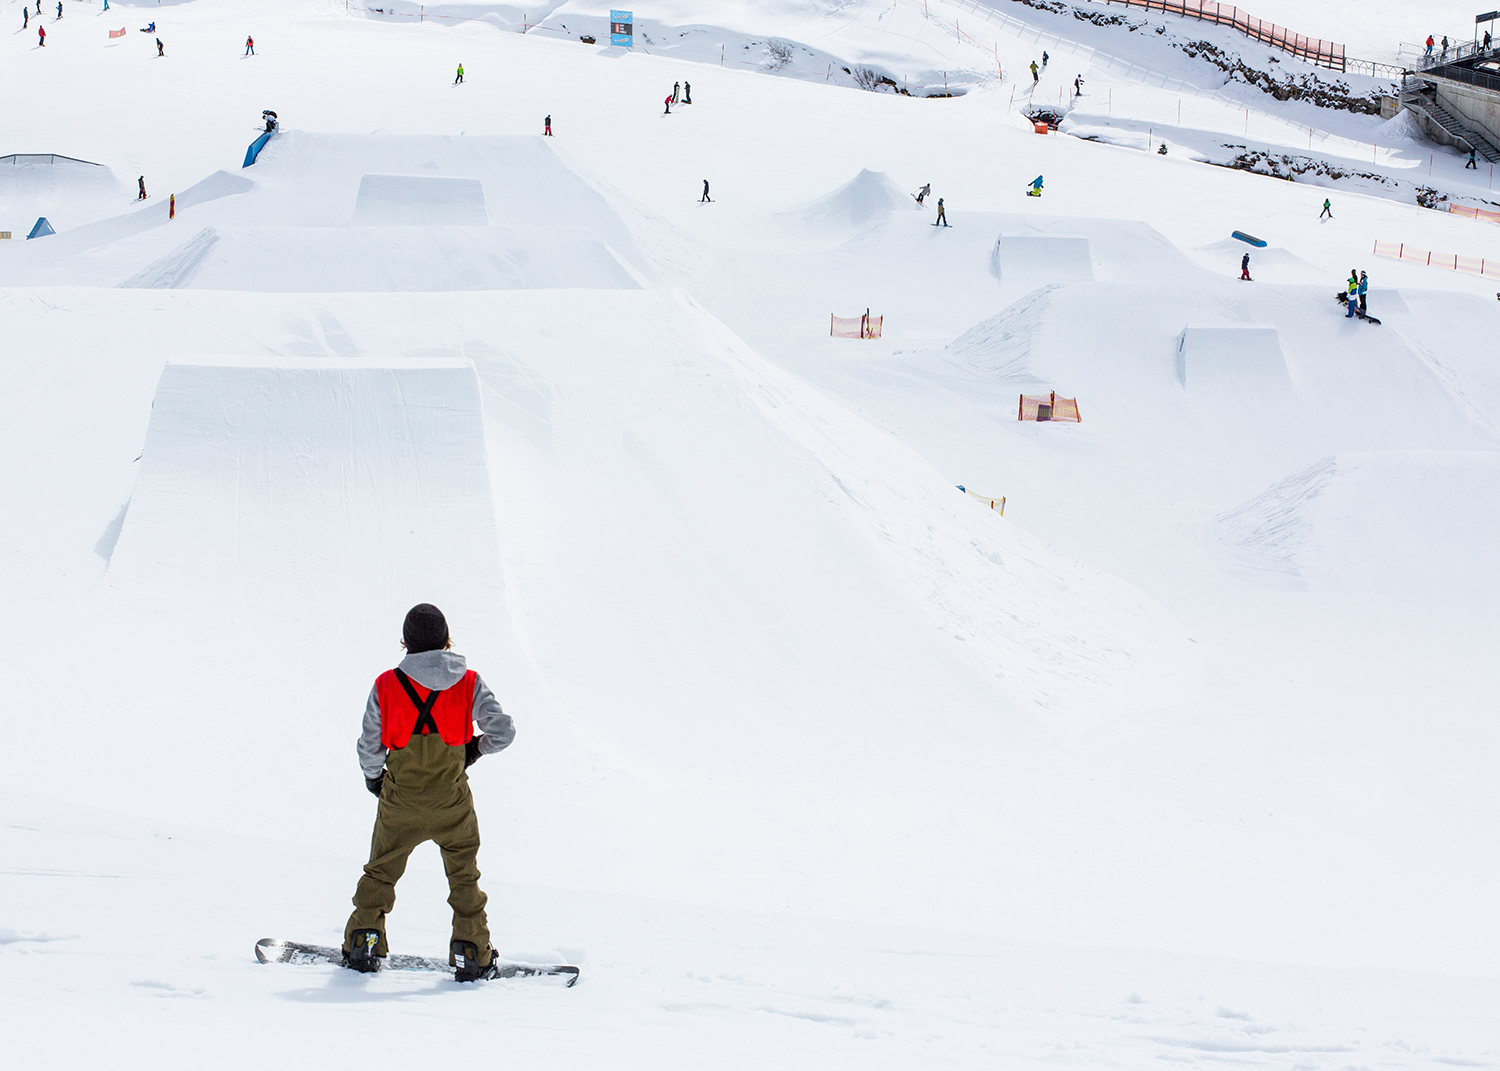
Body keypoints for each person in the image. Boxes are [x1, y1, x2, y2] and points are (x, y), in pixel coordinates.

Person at [343, 604, 515, 982]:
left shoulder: (387, 684)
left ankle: (363, 942)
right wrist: (472, 750)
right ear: (446, 640)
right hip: (452, 802)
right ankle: (472, 952)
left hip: (400, 800)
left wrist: (376, 779)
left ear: (405, 642)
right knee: (464, 878)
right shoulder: (469, 682)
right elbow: (503, 732)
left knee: (380, 873)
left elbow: (369, 745)